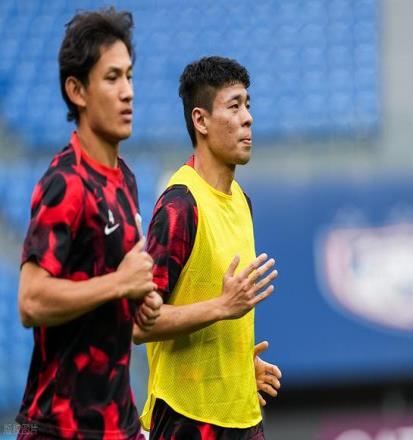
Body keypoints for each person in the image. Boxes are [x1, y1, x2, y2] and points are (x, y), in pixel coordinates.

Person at [16, 8, 162, 439]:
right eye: (112, 78)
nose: (128, 92)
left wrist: (139, 301)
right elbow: (31, 301)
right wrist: (120, 284)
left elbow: (115, 285)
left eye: (129, 76)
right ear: (77, 90)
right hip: (60, 427)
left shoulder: (125, 179)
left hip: (117, 423)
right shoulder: (65, 182)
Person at [134, 56, 280, 440]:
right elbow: (138, 323)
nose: (248, 118)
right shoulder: (180, 206)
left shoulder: (242, 201)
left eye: (248, 105)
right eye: (234, 106)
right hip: (187, 421)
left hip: (243, 416)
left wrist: (238, 368)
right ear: (200, 121)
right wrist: (222, 306)